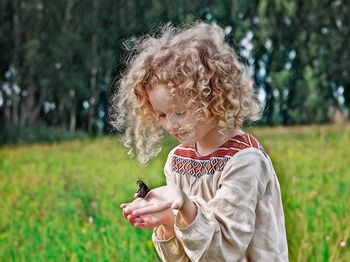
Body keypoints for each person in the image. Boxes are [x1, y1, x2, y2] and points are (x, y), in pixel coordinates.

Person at [110, 21, 289, 261]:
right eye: (162, 115)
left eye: (180, 112)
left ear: (212, 96)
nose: (171, 125)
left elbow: (223, 252)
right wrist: (168, 222)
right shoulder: (178, 161)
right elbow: (188, 257)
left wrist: (184, 205)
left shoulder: (246, 161)